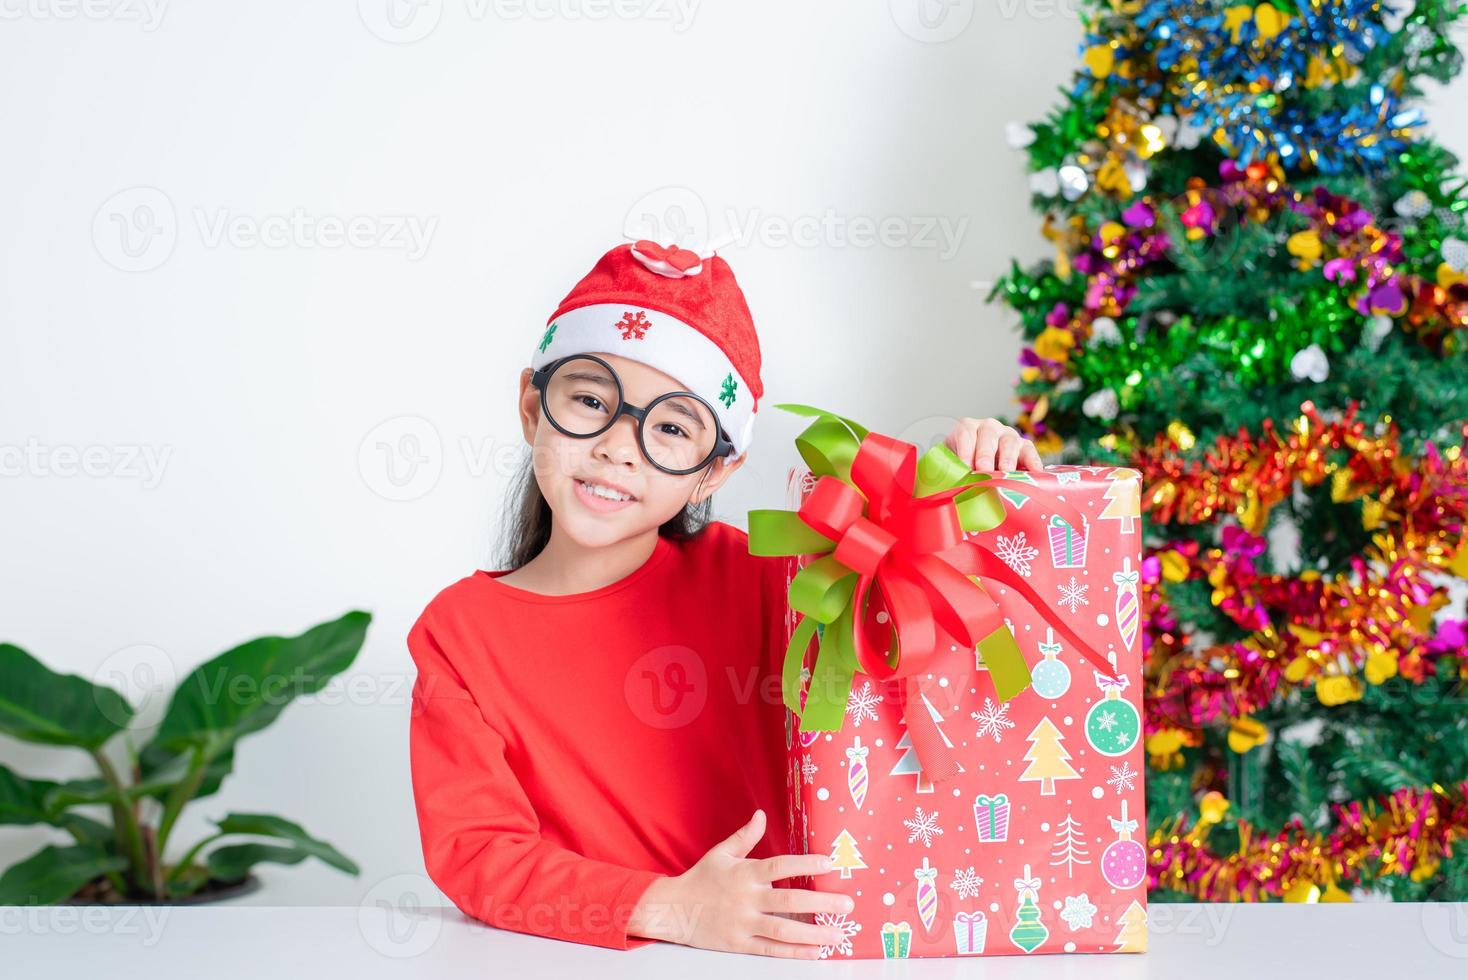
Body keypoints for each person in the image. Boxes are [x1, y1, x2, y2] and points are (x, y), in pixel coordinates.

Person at [406, 240, 1044, 958]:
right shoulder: (456, 634)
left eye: (671, 428)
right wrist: (670, 908)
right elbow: (479, 855)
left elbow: (915, 635)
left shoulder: (762, 578)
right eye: (590, 401)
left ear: (713, 474)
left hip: (780, 958)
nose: (619, 447)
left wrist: (973, 481)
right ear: (532, 409)